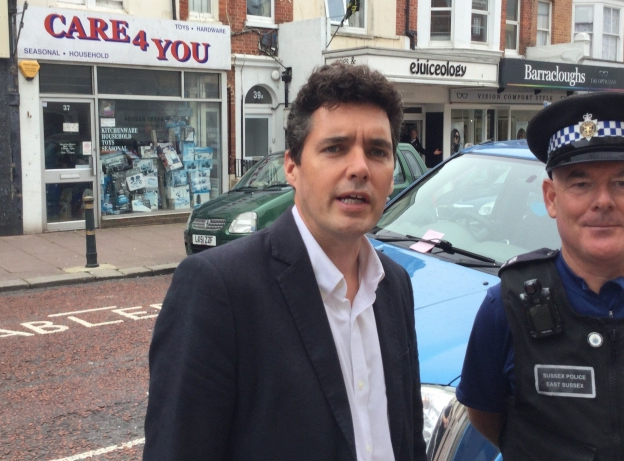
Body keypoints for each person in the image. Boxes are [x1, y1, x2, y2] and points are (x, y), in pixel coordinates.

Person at [143, 63, 426, 461]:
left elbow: (409, 441)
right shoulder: (217, 288)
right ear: (292, 167)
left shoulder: (394, 284)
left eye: (377, 151)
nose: (360, 168)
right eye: (335, 148)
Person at [456, 92, 624, 460]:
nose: (602, 201)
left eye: (621, 182)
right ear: (552, 198)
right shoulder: (506, 308)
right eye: (580, 183)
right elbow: (487, 417)